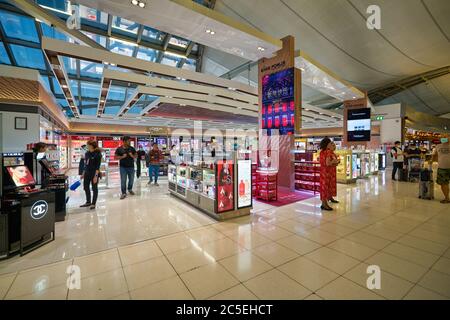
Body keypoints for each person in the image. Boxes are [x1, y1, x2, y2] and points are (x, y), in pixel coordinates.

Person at [319, 137, 340, 211]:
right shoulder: (328, 152)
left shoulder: (322, 152)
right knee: (326, 187)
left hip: (324, 172)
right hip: (328, 172)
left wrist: (335, 162)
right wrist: (335, 162)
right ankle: (324, 204)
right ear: (327, 144)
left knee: (325, 187)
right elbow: (328, 163)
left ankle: (327, 200)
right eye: (330, 143)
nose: (332, 144)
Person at [80, 140, 102, 210]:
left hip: (94, 173)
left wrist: (95, 176)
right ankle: (88, 201)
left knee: (94, 188)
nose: (87, 146)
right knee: (86, 187)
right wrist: (83, 173)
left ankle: (93, 203)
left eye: (88, 145)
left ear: (92, 146)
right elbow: (86, 164)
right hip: (87, 173)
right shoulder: (87, 153)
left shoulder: (98, 154)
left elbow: (97, 167)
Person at [433, 137, 450, 203]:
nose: (445, 139)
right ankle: (447, 198)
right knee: (443, 184)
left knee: (444, 184)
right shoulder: (438, 146)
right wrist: (432, 160)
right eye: (443, 137)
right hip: (442, 168)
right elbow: (435, 155)